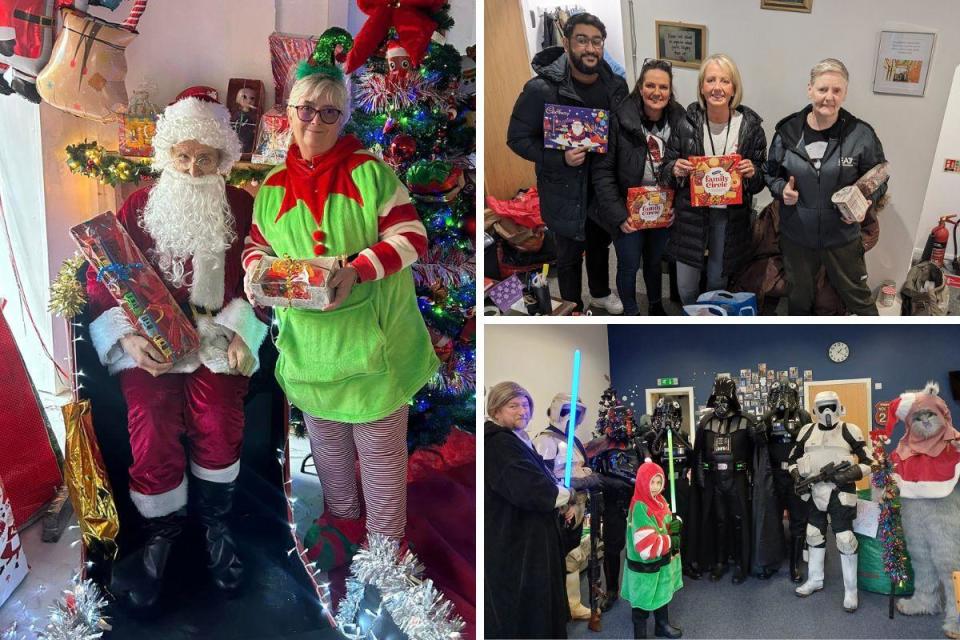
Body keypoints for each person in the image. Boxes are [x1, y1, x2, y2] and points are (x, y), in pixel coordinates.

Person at [242, 51, 439, 570]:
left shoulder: (370, 173)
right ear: (289, 112)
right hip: (311, 353)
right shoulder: (270, 188)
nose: (316, 121)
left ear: (343, 118)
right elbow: (255, 246)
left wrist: (359, 268)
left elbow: (413, 236)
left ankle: (384, 554)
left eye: (330, 112)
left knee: (379, 459)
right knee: (328, 453)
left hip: (375, 349)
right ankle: (343, 527)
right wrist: (256, 271)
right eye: (306, 109)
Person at [86, 92, 268, 609]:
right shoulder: (138, 206)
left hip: (215, 338)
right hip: (152, 345)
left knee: (217, 415)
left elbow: (260, 279)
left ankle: (214, 528)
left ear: (222, 160)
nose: (192, 167)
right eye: (183, 156)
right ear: (167, 154)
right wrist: (128, 339)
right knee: (150, 417)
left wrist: (243, 330)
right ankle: (160, 533)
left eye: (204, 157)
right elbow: (105, 278)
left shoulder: (242, 206)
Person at [506, 12, 628, 313]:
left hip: (601, 187)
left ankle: (600, 293)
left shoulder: (615, 86)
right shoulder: (541, 89)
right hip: (562, 188)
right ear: (566, 42)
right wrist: (560, 159)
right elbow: (517, 138)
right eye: (582, 40)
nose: (590, 48)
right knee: (569, 254)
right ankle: (571, 307)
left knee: (600, 246)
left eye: (596, 41)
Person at [764, 58, 886, 315]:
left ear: (844, 93)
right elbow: (770, 173)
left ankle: (876, 346)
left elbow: (880, 179)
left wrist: (866, 202)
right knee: (798, 301)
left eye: (836, 90)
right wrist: (780, 190)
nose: (829, 97)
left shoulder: (861, 135)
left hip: (842, 238)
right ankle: (799, 352)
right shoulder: (787, 132)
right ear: (810, 89)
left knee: (859, 299)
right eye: (822, 89)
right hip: (797, 238)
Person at [661, 54, 767, 304]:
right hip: (691, 213)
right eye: (711, 80)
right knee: (685, 285)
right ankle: (690, 322)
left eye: (725, 81)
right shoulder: (685, 124)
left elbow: (763, 178)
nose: (717, 87)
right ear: (702, 87)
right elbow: (665, 170)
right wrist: (675, 169)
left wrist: (753, 173)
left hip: (729, 217)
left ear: (734, 88)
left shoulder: (750, 127)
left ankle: (711, 322)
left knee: (717, 281)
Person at [593, 59, 685, 315]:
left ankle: (655, 305)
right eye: (651, 85)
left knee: (655, 262)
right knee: (629, 264)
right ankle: (631, 312)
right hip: (627, 209)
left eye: (663, 87)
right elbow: (602, 173)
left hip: (663, 209)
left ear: (670, 90)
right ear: (640, 88)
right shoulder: (619, 119)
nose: (657, 92)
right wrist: (619, 215)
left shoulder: (681, 119)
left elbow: (687, 167)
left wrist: (676, 206)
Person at [485, 382, 571, 639]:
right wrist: (562, 493)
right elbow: (529, 488)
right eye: (513, 406)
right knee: (529, 607)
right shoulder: (499, 444)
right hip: (519, 540)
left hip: (530, 535)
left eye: (525, 405)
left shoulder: (514, 439)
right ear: (496, 410)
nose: (522, 411)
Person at [789, 391, 873, 611]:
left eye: (831, 407)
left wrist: (847, 475)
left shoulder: (849, 430)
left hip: (840, 490)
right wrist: (797, 475)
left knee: (845, 538)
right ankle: (815, 580)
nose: (827, 412)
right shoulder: (806, 431)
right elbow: (791, 460)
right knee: (813, 534)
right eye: (822, 407)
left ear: (839, 407)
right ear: (815, 410)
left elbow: (869, 461)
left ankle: (851, 591)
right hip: (813, 490)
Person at [534, 393, 604, 620]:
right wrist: (569, 502)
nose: (573, 417)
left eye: (577, 413)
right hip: (562, 508)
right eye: (569, 412)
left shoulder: (572, 440)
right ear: (558, 412)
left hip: (578, 504)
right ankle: (559, 608)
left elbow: (580, 470)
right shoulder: (546, 440)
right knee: (561, 558)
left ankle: (572, 605)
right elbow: (545, 479)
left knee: (573, 556)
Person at [623, 462, 683, 639]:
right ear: (642, 482)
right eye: (652, 482)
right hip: (645, 568)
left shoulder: (661, 501)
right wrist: (671, 539)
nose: (656, 487)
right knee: (642, 602)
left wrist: (674, 525)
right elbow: (646, 547)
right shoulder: (640, 507)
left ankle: (661, 625)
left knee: (662, 594)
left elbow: (666, 525)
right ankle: (640, 635)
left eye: (659, 482)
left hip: (661, 563)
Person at [760, 381, 811, 582]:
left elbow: (808, 442)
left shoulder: (803, 415)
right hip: (774, 475)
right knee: (773, 520)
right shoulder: (768, 417)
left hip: (796, 475)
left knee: (798, 519)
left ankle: (794, 564)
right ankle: (774, 560)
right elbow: (760, 442)